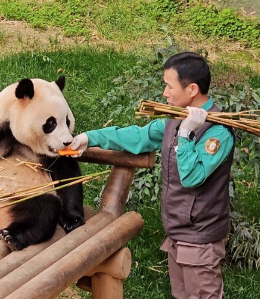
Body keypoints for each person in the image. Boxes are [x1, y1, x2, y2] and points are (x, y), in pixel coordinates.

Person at [70, 52, 234, 299]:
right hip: (178, 233)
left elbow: (191, 177)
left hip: (200, 239)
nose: (165, 93)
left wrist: (187, 135)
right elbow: (138, 136)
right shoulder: (176, 119)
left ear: (192, 89)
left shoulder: (218, 132)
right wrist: (90, 137)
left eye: (169, 86)